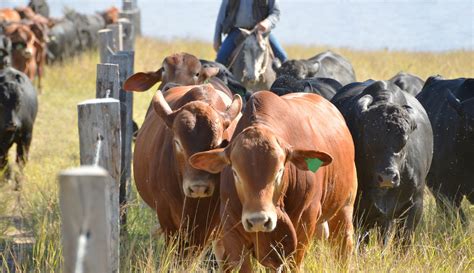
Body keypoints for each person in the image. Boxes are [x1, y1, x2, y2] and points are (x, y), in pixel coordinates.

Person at [214, 0, 288, 66]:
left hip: (261, 32)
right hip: (237, 32)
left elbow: (276, 13)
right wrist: (216, 39)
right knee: (220, 60)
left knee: (283, 58)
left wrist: (267, 22)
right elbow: (221, 17)